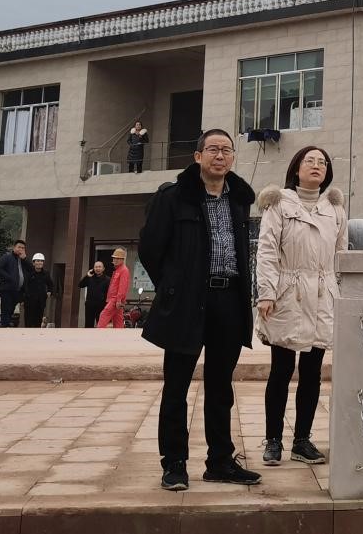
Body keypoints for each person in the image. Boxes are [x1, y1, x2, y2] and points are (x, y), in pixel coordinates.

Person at [139, 128, 260, 491]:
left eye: (226, 150)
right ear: (198, 156)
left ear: (233, 157)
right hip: (187, 302)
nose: (220, 156)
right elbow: (150, 249)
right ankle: (174, 463)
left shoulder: (239, 199)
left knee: (221, 387)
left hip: (229, 300)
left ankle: (220, 461)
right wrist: (173, 286)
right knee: (177, 386)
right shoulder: (173, 197)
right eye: (213, 149)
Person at [255, 145, 348, 467]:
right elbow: (267, 251)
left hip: (322, 294)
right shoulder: (279, 203)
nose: (316, 166)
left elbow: (341, 255)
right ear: (297, 168)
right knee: (281, 370)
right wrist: (266, 292)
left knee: (312, 372)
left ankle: (302, 440)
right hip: (288, 293)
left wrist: (340, 294)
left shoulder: (335, 208)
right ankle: (273, 440)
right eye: (310, 161)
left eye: (322, 162)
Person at [96, 248, 131, 329]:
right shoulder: (118, 270)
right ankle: (119, 335)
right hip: (115, 299)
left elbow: (123, 287)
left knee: (104, 315)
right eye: (114, 258)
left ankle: (98, 334)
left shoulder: (124, 270)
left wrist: (118, 300)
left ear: (122, 260)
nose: (115, 260)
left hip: (115, 299)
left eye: (117, 258)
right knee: (117, 320)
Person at [0, 239, 26, 328]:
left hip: (17, 290)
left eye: (23, 248)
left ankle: (7, 324)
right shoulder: (7, 257)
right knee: (6, 308)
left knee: (11, 309)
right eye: (19, 247)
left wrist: (25, 259)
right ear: (14, 247)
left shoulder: (22, 260)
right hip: (6, 289)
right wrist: (10, 278)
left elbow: (31, 269)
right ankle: (5, 326)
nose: (21, 249)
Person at [22, 252, 57, 328]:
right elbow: (24, 286)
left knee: (38, 321)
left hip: (41, 301)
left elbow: (50, 284)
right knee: (28, 321)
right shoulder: (29, 273)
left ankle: (37, 334)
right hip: (29, 301)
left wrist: (49, 291)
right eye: (37, 261)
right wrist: (22, 298)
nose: (39, 263)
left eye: (41, 261)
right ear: (33, 263)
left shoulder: (46, 273)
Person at [78, 260, 110, 329]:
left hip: (101, 306)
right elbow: (80, 285)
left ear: (103, 269)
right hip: (90, 305)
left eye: (99, 267)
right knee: (88, 326)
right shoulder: (90, 277)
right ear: (93, 268)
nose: (97, 268)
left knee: (101, 326)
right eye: (96, 267)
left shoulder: (107, 279)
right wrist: (87, 276)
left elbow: (110, 293)